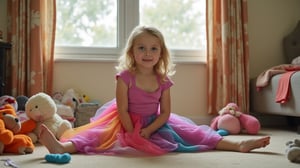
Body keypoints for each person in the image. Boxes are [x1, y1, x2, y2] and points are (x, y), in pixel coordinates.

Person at [39, 25, 270, 155]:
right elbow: (122, 109)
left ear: (161, 53)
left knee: (195, 135)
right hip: (124, 120)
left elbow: (166, 113)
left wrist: (148, 130)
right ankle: (63, 147)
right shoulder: (125, 77)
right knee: (96, 137)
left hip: (154, 122)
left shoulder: (162, 80)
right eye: (142, 48)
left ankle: (238, 145)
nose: (147, 53)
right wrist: (130, 130)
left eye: (153, 49)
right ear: (132, 52)